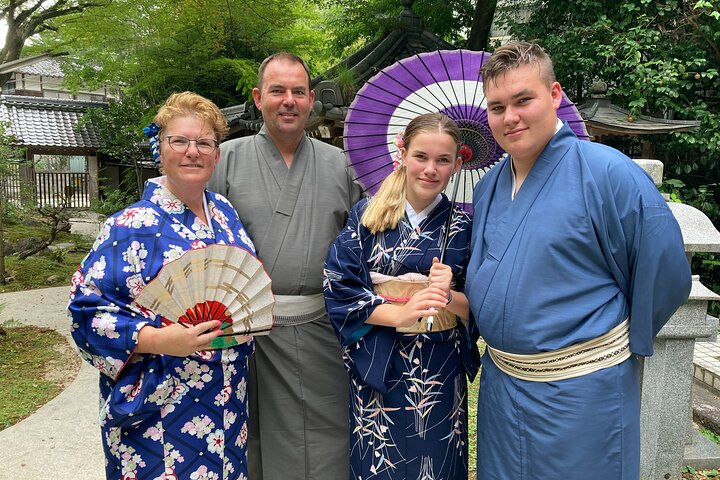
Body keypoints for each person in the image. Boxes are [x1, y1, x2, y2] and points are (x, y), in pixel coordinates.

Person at [465, 41, 692, 479]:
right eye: (496, 107)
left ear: (554, 96)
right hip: (502, 386)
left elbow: (665, 273)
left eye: (523, 100)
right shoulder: (489, 184)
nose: (509, 117)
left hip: (583, 389)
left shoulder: (608, 172)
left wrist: (619, 340)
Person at [68, 91, 257, 479]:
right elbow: (87, 314)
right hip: (161, 398)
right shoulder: (128, 226)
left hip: (226, 396)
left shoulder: (225, 212)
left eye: (204, 142)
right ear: (160, 148)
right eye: (180, 141)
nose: (193, 152)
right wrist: (158, 339)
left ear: (216, 154)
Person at [208, 52, 363, 479]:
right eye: (278, 91)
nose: (289, 100)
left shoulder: (341, 164)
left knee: (329, 431)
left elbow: (365, 247)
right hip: (247, 332)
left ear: (312, 99)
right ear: (259, 98)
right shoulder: (224, 160)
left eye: (298, 91)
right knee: (254, 435)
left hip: (322, 329)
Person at [324, 112, 480, 479]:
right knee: (380, 462)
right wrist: (398, 313)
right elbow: (337, 285)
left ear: (457, 164)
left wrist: (448, 295)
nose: (430, 169)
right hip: (381, 358)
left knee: (438, 462)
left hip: (441, 365)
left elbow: (483, 304)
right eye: (421, 157)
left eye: (443, 160)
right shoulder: (367, 215)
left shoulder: (464, 226)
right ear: (403, 153)